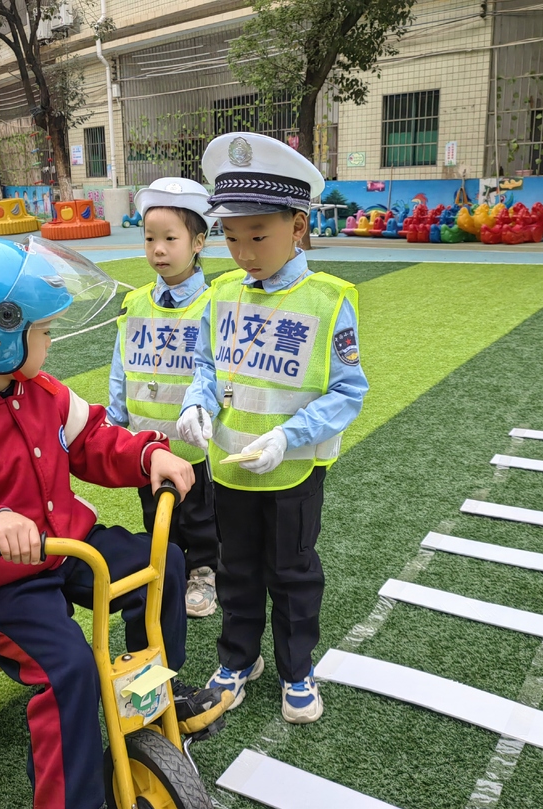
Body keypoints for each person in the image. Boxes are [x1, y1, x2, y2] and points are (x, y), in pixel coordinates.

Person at [0, 237, 230, 809]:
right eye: (43, 331)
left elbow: (95, 439)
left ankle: (153, 702)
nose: (50, 342)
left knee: (163, 563)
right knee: (66, 669)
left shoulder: (42, 391)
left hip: (69, 543)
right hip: (0, 582)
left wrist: (150, 455)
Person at [178, 132, 369, 724]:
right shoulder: (220, 294)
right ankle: (238, 659)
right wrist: (194, 403)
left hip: (291, 473)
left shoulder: (328, 300)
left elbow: (348, 391)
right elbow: (207, 364)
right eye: (232, 238)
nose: (244, 252)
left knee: (290, 572)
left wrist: (289, 436)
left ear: (299, 225)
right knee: (235, 569)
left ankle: (295, 667)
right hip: (230, 468)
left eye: (258, 236)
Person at [108, 177, 221, 618]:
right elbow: (123, 365)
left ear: (198, 241)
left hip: (194, 444)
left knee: (200, 517)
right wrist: (116, 419)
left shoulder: (213, 303)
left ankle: (204, 573)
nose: (158, 249)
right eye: (150, 237)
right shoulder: (135, 303)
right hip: (146, 442)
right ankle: (168, 572)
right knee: (156, 515)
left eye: (170, 238)